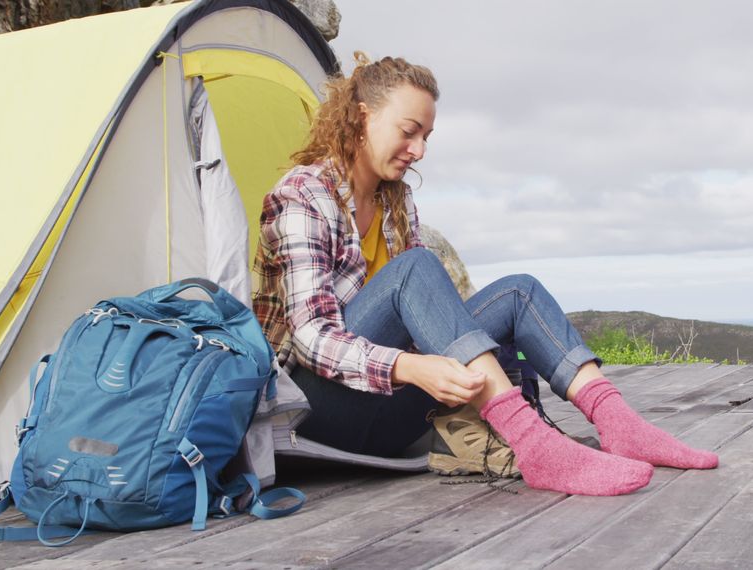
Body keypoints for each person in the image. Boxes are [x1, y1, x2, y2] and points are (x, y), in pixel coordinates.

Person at [252, 53, 718, 496]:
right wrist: (411, 366)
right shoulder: (303, 195)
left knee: (519, 291)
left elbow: (423, 319)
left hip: (389, 417)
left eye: (427, 137)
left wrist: (436, 365)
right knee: (415, 269)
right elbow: (311, 338)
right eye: (409, 131)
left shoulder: (397, 202)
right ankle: (534, 446)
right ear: (362, 117)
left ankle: (621, 425)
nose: (418, 151)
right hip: (313, 416)